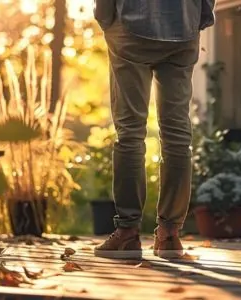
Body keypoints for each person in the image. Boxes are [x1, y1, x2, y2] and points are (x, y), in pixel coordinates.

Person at [92, 0, 216, 259]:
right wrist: (200, 16)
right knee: (177, 134)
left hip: (131, 22)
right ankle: (170, 234)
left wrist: (105, 17)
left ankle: (127, 233)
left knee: (129, 131)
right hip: (184, 25)